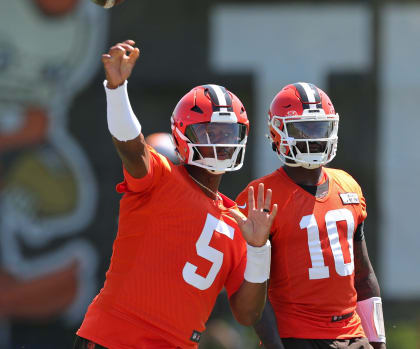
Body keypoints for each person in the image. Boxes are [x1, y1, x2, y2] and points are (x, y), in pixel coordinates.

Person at [74, 39, 278, 349]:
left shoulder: (241, 223)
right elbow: (131, 147)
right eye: (210, 132)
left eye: (228, 133)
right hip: (114, 339)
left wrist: (259, 248)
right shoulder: (162, 179)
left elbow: (248, 314)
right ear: (183, 134)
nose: (221, 142)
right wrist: (116, 91)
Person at [236, 83, 386, 349]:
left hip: (353, 334)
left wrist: (377, 340)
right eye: (302, 129)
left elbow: (363, 277)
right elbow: (255, 288)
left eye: (320, 128)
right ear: (276, 133)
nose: (314, 138)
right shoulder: (262, 195)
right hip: (297, 337)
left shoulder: (348, 185)